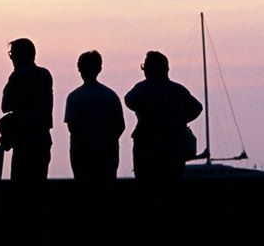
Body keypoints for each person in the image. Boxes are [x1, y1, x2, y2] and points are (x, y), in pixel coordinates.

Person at [124, 50, 201, 185]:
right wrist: (179, 120)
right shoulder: (179, 90)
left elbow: (129, 100)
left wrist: (146, 113)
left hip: (147, 148)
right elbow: (197, 108)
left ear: (149, 69)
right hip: (174, 148)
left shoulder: (143, 88)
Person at [63, 50, 124, 183]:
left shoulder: (74, 97)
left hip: (81, 155)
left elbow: (73, 128)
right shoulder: (110, 96)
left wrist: (88, 147)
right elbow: (120, 126)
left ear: (79, 69)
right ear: (99, 68)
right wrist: (105, 144)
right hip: (108, 154)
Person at [0, 38, 53, 183]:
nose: (11, 58)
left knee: (20, 183)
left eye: (12, 54)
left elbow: (5, 106)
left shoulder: (17, 76)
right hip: (42, 135)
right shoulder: (45, 75)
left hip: (23, 138)